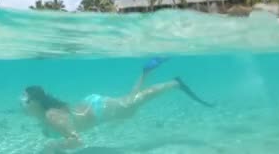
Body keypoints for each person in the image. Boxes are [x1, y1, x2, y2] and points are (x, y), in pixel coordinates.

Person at [20, 58, 213, 153]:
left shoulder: (50, 116)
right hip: (93, 106)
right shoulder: (44, 115)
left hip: (99, 110)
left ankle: (174, 83)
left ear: (35, 102)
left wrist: (54, 145)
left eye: (24, 100)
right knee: (130, 103)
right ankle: (145, 71)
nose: (21, 104)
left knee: (134, 102)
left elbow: (77, 140)